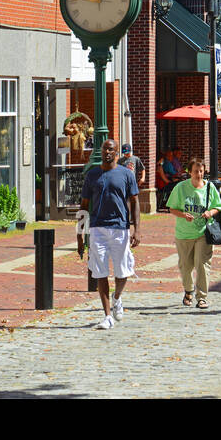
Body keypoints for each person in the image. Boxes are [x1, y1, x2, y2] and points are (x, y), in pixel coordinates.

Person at [81, 139, 140, 330]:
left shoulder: (126, 174)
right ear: (101, 151)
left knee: (123, 271)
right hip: (97, 228)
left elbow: (135, 201)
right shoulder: (92, 175)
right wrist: (80, 235)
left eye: (111, 149)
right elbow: (83, 206)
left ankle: (117, 298)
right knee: (100, 272)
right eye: (105, 148)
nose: (108, 151)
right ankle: (107, 316)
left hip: (120, 228)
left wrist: (137, 229)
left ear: (116, 153)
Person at [166, 157, 221, 309]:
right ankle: (188, 290)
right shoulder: (181, 187)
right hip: (184, 233)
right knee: (185, 266)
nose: (199, 174)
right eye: (196, 171)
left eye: (201, 171)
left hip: (204, 233)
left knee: (202, 265)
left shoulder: (210, 188)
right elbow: (171, 208)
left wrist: (210, 212)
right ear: (189, 172)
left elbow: (218, 206)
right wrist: (183, 214)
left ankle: (202, 297)